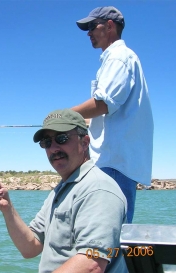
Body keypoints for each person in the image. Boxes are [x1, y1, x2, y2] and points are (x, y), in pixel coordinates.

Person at [0, 109, 128, 273]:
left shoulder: (97, 189)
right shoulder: (61, 190)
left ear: (85, 142)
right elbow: (31, 247)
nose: (53, 148)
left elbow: (92, 264)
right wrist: (7, 208)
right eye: (46, 142)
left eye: (62, 138)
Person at [72, 6, 153, 223]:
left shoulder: (118, 57)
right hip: (115, 162)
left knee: (109, 239)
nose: (88, 32)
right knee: (109, 237)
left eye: (92, 26)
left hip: (113, 164)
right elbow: (104, 111)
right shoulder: (117, 58)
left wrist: (64, 115)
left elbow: (104, 103)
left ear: (109, 26)